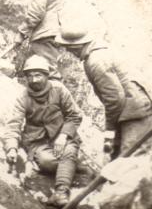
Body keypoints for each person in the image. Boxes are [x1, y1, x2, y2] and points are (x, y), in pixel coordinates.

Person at [55, 27, 152, 159]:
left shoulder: (96, 61)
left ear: (76, 46)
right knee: (117, 156)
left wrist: (110, 129)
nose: (67, 51)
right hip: (129, 109)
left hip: (135, 112)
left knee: (131, 160)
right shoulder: (102, 51)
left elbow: (114, 99)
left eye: (68, 48)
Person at [3, 55, 82, 208]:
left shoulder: (59, 90)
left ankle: (61, 193)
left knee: (69, 150)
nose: (34, 80)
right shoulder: (23, 97)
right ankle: (71, 165)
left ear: (46, 75)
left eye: (38, 75)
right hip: (37, 141)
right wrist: (12, 148)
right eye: (30, 76)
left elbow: (75, 115)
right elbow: (14, 124)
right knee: (48, 163)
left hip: (62, 135)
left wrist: (64, 135)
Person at [15, 0, 63, 80]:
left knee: (47, 72)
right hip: (52, 32)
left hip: (44, 33)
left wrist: (22, 32)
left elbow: (36, 11)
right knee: (46, 70)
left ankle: (56, 99)